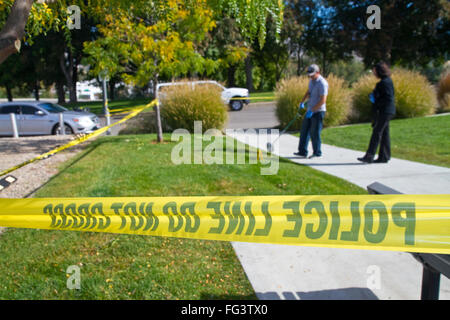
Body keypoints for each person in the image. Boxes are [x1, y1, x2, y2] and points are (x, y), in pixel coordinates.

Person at [357, 62, 396, 164]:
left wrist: (376, 100)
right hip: (387, 111)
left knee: (377, 132)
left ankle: (369, 156)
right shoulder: (387, 81)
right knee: (384, 133)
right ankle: (384, 156)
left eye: (374, 71)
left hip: (385, 111)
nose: (374, 73)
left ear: (379, 71)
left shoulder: (384, 83)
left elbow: (388, 98)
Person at [294, 64, 328, 159]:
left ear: (318, 72)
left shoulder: (322, 83)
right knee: (304, 131)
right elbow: (308, 92)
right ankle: (302, 151)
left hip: (318, 112)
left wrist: (313, 110)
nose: (310, 76)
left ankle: (317, 152)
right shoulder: (311, 81)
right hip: (310, 109)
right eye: (309, 74)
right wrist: (302, 102)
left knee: (314, 133)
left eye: (312, 75)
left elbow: (323, 100)